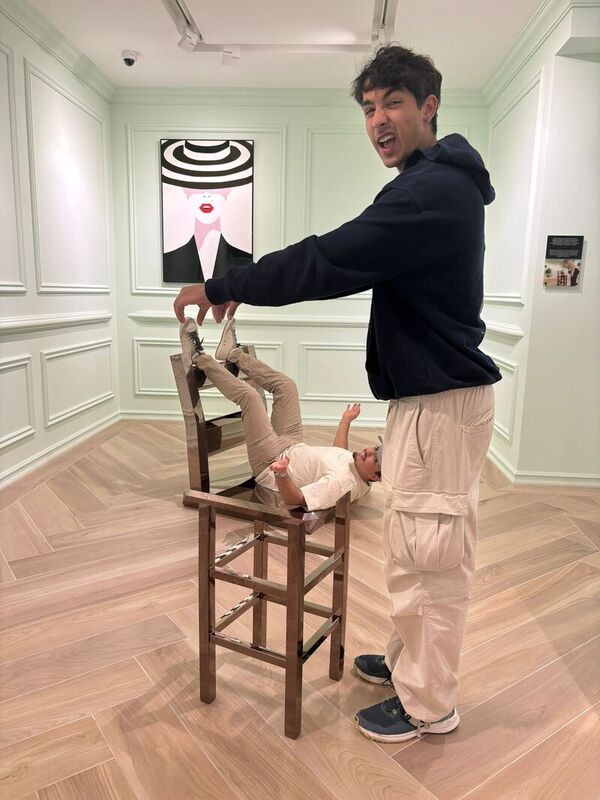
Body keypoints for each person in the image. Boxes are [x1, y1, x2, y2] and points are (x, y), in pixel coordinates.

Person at [173, 45, 501, 743]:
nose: (378, 119)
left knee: (431, 559)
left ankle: (428, 705)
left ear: (429, 107)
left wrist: (226, 283)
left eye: (393, 103)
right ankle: (411, 667)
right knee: (417, 547)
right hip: (431, 403)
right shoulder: (433, 184)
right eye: (369, 107)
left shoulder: (433, 191)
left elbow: (330, 258)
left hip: (442, 406)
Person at [180, 317, 382, 511]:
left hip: (271, 461)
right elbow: (339, 454)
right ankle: (233, 353)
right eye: (376, 449)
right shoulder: (358, 473)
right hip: (293, 443)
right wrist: (345, 421)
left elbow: (296, 499)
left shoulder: (340, 485)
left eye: (375, 460)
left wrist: (282, 475)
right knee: (287, 386)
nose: (370, 452)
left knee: (250, 397)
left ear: (375, 476)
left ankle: (198, 356)